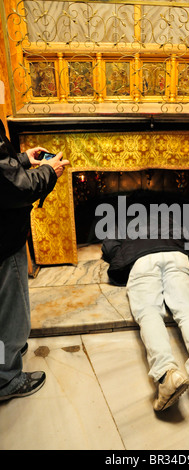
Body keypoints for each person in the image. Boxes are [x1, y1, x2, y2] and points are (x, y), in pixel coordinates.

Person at [101, 191, 189, 411]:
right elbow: (187, 242)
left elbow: (109, 248)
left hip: (141, 260)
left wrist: (126, 254)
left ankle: (167, 375)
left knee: (149, 313)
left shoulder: (123, 220)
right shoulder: (170, 218)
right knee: (188, 311)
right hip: (176, 256)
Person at [0, 119, 69, 401]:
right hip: (3, 240)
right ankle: (7, 379)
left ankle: (4, 356)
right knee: (11, 314)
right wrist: (48, 172)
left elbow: (2, 169)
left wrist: (22, 159)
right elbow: (15, 190)